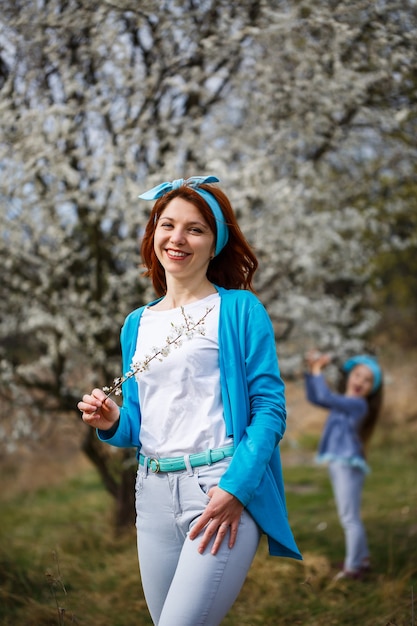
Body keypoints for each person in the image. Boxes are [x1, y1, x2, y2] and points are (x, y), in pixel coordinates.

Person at [78, 175, 302, 625]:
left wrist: (236, 487)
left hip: (218, 490)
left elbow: (270, 410)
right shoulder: (136, 323)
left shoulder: (239, 309)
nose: (177, 238)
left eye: (195, 229)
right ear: (153, 232)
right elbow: (139, 426)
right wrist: (111, 420)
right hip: (153, 493)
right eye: (167, 225)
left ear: (215, 242)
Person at [304, 350, 383, 581]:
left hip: (347, 464)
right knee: (350, 516)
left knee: (349, 518)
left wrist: (318, 370)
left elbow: (326, 397)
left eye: (368, 380)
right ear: (350, 376)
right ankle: (363, 558)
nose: (361, 382)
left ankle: (352, 568)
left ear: (372, 388)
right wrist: (312, 371)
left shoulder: (357, 405)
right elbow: (317, 398)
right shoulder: (345, 403)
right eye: (358, 375)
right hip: (341, 462)